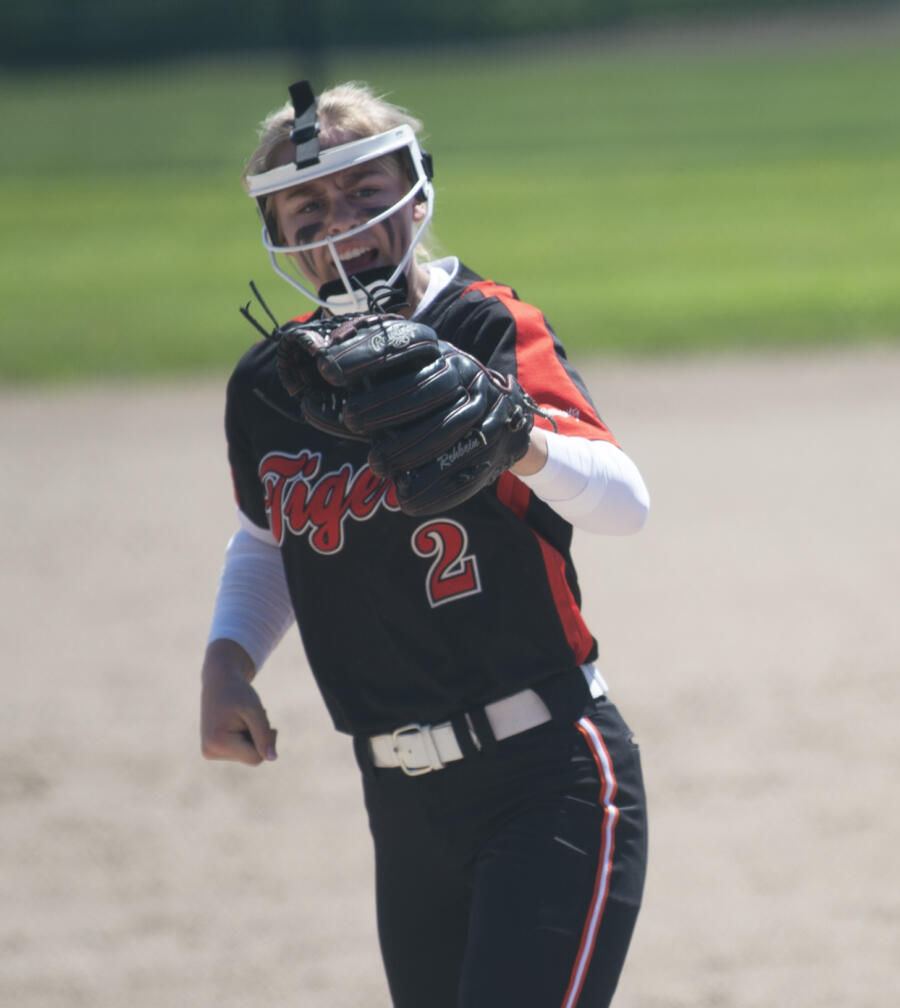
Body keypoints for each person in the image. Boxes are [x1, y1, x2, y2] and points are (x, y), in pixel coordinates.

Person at [200, 80, 652, 1008]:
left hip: (549, 774)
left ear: (415, 189)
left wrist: (513, 434)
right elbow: (267, 538)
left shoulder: (483, 325)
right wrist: (228, 660)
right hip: (402, 806)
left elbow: (625, 504)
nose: (344, 221)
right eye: (310, 204)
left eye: (368, 190)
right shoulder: (268, 382)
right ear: (277, 233)